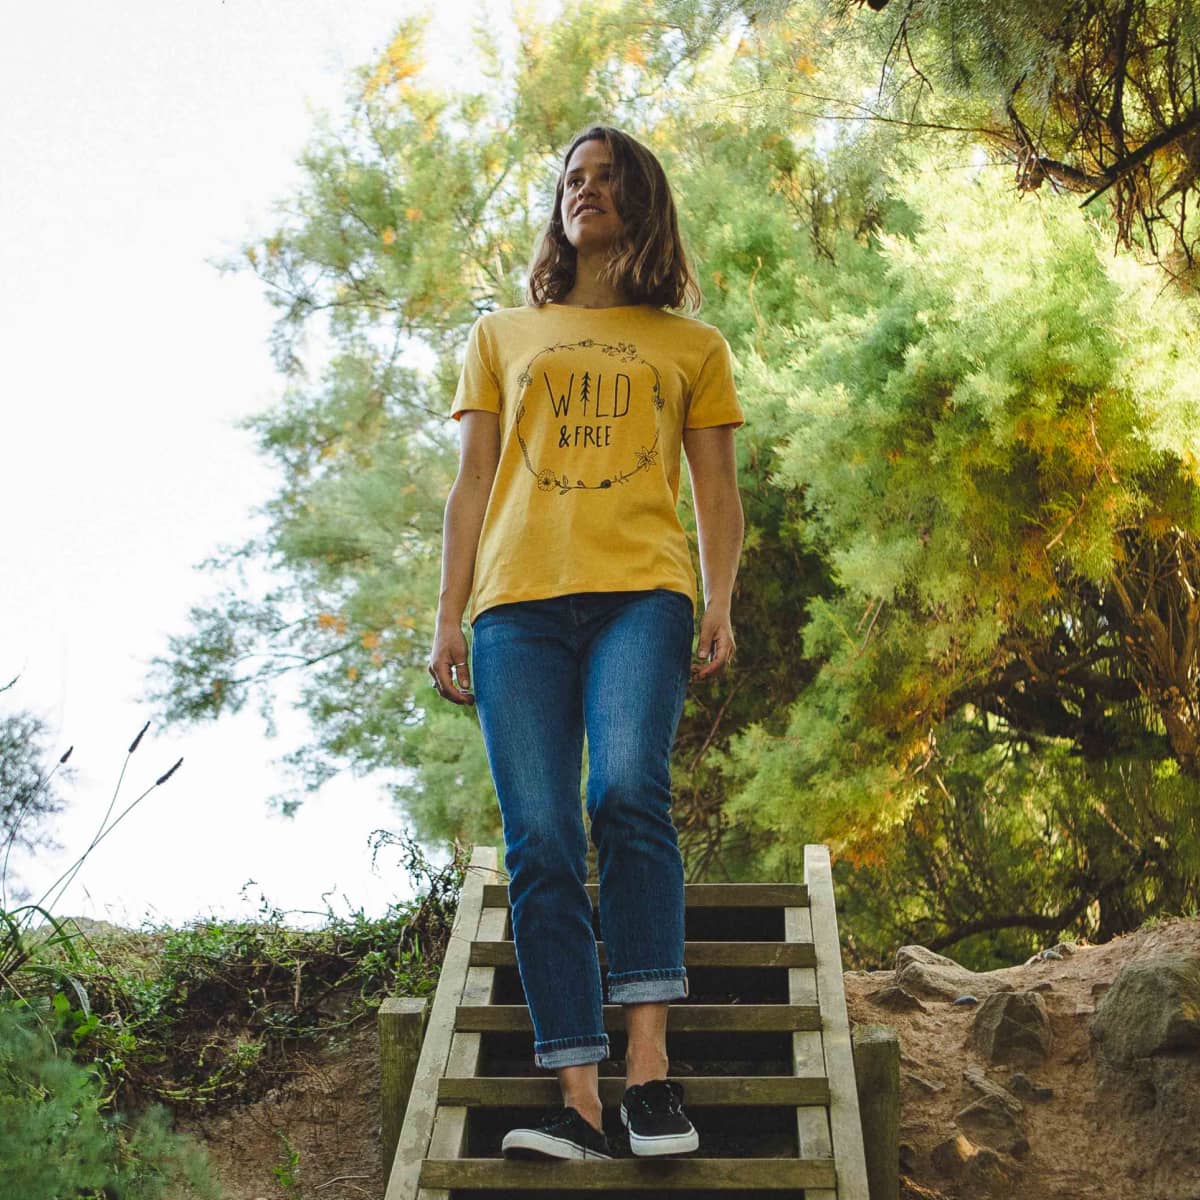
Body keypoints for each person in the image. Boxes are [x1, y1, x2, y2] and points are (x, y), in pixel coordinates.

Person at [427, 124, 745, 1162]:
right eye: (573, 177)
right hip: (514, 611)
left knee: (626, 793)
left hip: (640, 597)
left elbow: (716, 491)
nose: (586, 189)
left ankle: (649, 1079)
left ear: (640, 201)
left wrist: (720, 600)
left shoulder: (692, 347)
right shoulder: (501, 335)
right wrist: (447, 614)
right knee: (542, 840)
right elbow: (472, 484)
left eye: (607, 177)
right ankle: (579, 1101)